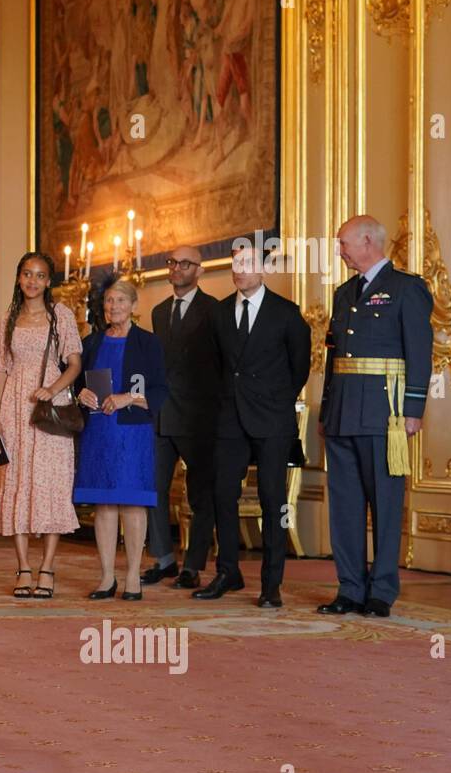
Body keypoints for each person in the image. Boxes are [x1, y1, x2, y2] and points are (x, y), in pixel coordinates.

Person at [317, 215, 433, 617]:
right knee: (345, 507)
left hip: (386, 415)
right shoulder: (344, 292)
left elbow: (419, 353)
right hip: (343, 414)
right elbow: (336, 356)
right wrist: (328, 408)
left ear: (367, 241)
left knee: (385, 503)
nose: (340, 251)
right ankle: (350, 588)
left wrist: (414, 411)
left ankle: (381, 590)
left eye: (344, 243)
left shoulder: (406, 289)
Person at [195, 242, 310, 606]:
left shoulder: (287, 314)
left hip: (272, 419)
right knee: (222, 496)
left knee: (272, 498)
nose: (239, 269)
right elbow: (212, 366)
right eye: (235, 263)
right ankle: (228, 572)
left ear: (263, 270)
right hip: (230, 418)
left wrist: (275, 401)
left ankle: (270, 585)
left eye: (247, 263)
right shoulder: (218, 314)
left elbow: (299, 367)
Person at [0, 252, 82, 599]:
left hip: (49, 408)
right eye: (27, 274)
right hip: (13, 407)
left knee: (50, 484)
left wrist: (51, 390)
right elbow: (0, 371)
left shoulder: (62, 315)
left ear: (48, 281)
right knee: (15, 482)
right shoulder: (9, 316)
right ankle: (24, 567)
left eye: (40, 276)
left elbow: (74, 364)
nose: (32, 281)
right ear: (18, 277)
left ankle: (48, 568)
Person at [73, 280, 167, 600]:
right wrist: (80, 393)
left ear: (133, 305)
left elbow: (161, 390)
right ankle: (106, 577)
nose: (113, 306)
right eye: (109, 301)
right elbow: (74, 381)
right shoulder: (92, 343)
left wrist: (129, 397)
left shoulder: (148, 343)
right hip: (99, 430)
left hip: (132, 430)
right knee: (104, 503)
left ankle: (132, 577)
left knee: (132, 501)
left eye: (120, 300)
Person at [142, 246, 220, 590]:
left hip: (198, 417)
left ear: (199, 270)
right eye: (172, 262)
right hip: (160, 415)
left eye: (184, 263)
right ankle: (164, 559)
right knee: (153, 488)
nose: (176, 268)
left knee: (200, 492)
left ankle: (193, 564)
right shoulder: (158, 312)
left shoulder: (214, 310)